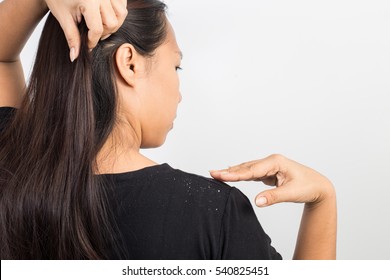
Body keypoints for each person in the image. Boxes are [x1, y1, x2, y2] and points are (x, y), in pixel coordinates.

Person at [0, 0, 337, 260]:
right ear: (129, 63)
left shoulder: (12, 166)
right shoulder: (212, 214)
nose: (179, 91)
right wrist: (323, 198)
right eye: (176, 65)